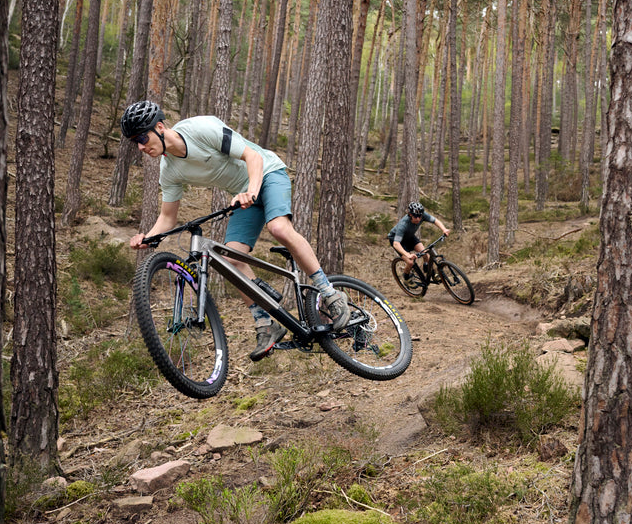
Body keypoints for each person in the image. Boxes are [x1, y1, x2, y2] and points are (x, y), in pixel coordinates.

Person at [122, 100, 349, 361]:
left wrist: (252, 191)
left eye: (142, 137)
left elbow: (252, 156)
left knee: (279, 228)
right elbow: (167, 217)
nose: (140, 146)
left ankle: (330, 293)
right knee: (231, 258)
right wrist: (148, 238)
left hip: (268, 173)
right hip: (244, 196)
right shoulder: (169, 170)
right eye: (134, 142)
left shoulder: (200, 128)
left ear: (160, 127)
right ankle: (265, 323)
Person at [388, 201, 450, 285]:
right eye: (415, 216)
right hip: (397, 240)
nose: (418, 219)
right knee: (410, 262)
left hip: (409, 237)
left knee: (426, 254)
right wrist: (408, 254)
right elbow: (396, 244)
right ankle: (406, 278)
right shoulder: (403, 225)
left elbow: (435, 221)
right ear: (410, 214)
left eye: (419, 216)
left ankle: (430, 272)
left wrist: (444, 229)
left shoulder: (422, 215)